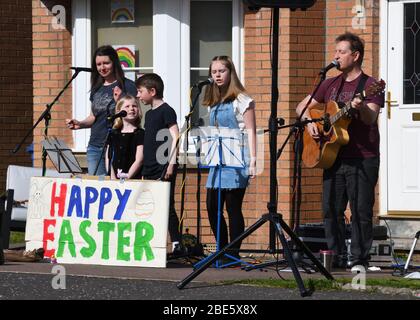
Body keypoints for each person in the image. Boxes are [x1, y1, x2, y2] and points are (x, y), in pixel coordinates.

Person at [296, 32, 384, 269]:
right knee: (331, 210)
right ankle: (335, 257)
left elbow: (371, 116)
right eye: (336, 52)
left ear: (355, 56)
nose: (336, 57)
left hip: (362, 158)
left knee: (360, 210)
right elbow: (300, 107)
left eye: (341, 52)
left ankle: (359, 260)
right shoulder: (329, 83)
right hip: (332, 156)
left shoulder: (370, 85)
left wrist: (359, 107)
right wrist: (311, 122)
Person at [202, 56, 257, 261]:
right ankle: (221, 249)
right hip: (218, 157)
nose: (217, 75)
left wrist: (253, 161)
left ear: (230, 73)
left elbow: (251, 131)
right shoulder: (213, 102)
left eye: (221, 71)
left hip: (237, 157)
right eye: (214, 71)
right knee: (212, 206)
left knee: (233, 207)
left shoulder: (242, 99)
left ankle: (232, 252)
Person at [65, 45, 137, 175]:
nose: (102, 68)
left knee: (116, 186)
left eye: (106, 63)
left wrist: (118, 102)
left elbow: (134, 117)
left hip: (118, 145)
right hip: (95, 145)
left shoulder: (127, 86)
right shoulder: (97, 88)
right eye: (98, 64)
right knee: (97, 186)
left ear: (114, 63)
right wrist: (80, 124)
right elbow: (93, 117)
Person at [135, 73, 184, 256]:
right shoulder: (149, 114)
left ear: (152, 91)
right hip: (149, 166)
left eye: (140, 91)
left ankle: (177, 243)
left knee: (167, 205)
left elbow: (175, 136)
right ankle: (154, 243)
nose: (138, 96)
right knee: (150, 205)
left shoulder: (166, 110)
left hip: (163, 165)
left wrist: (171, 163)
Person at [106, 95, 144, 180]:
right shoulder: (113, 134)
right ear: (119, 111)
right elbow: (108, 158)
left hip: (132, 179)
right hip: (115, 179)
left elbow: (139, 160)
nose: (131, 109)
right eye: (127, 106)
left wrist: (127, 177)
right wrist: (112, 177)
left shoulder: (140, 134)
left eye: (134, 106)